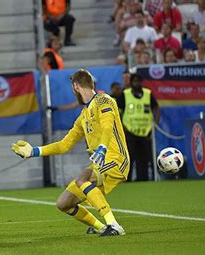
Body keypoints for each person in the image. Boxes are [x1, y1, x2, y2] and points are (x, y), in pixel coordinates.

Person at [12, 69, 129, 236]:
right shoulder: (83, 116)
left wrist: (102, 148)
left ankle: (114, 225)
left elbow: (108, 126)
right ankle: (100, 227)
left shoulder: (104, 100)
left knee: (83, 179)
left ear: (75, 86)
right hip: (100, 162)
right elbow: (64, 145)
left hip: (116, 159)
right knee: (64, 203)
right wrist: (34, 151)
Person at [117, 74, 160, 182]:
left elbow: (157, 108)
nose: (137, 83)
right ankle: (127, 179)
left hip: (146, 131)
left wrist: (155, 123)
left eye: (139, 81)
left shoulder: (147, 94)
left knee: (144, 157)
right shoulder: (125, 94)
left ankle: (143, 179)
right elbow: (117, 111)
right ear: (131, 83)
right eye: (135, 81)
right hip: (129, 130)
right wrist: (121, 126)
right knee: (129, 157)